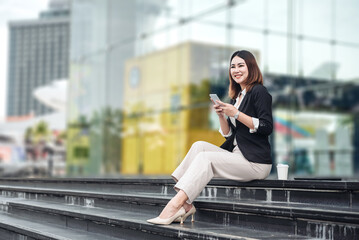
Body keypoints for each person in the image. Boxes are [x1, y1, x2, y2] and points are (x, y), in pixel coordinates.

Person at [147, 50, 273, 225]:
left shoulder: (259, 91)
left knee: (206, 158)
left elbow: (267, 127)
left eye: (241, 66)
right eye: (232, 67)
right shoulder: (238, 97)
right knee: (199, 146)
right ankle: (186, 203)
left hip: (255, 162)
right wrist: (222, 116)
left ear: (251, 67)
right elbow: (230, 135)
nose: (236, 70)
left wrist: (235, 113)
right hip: (238, 155)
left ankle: (174, 206)